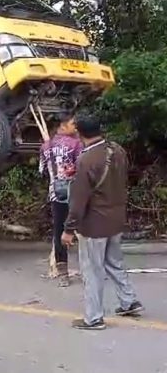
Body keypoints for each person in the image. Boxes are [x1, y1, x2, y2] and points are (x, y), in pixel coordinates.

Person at [61, 112, 144, 330]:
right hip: (116, 219)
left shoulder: (86, 160)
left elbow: (79, 201)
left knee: (92, 271)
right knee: (114, 263)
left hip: (94, 225)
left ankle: (93, 318)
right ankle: (129, 301)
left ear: (79, 132)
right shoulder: (116, 150)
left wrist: (69, 229)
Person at [39, 112, 83, 287]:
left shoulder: (45, 146)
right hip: (76, 193)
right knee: (83, 229)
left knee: (59, 232)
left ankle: (63, 272)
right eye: (73, 124)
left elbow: (42, 171)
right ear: (63, 126)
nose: (76, 127)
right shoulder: (76, 144)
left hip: (56, 194)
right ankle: (90, 268)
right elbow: (82, 168)